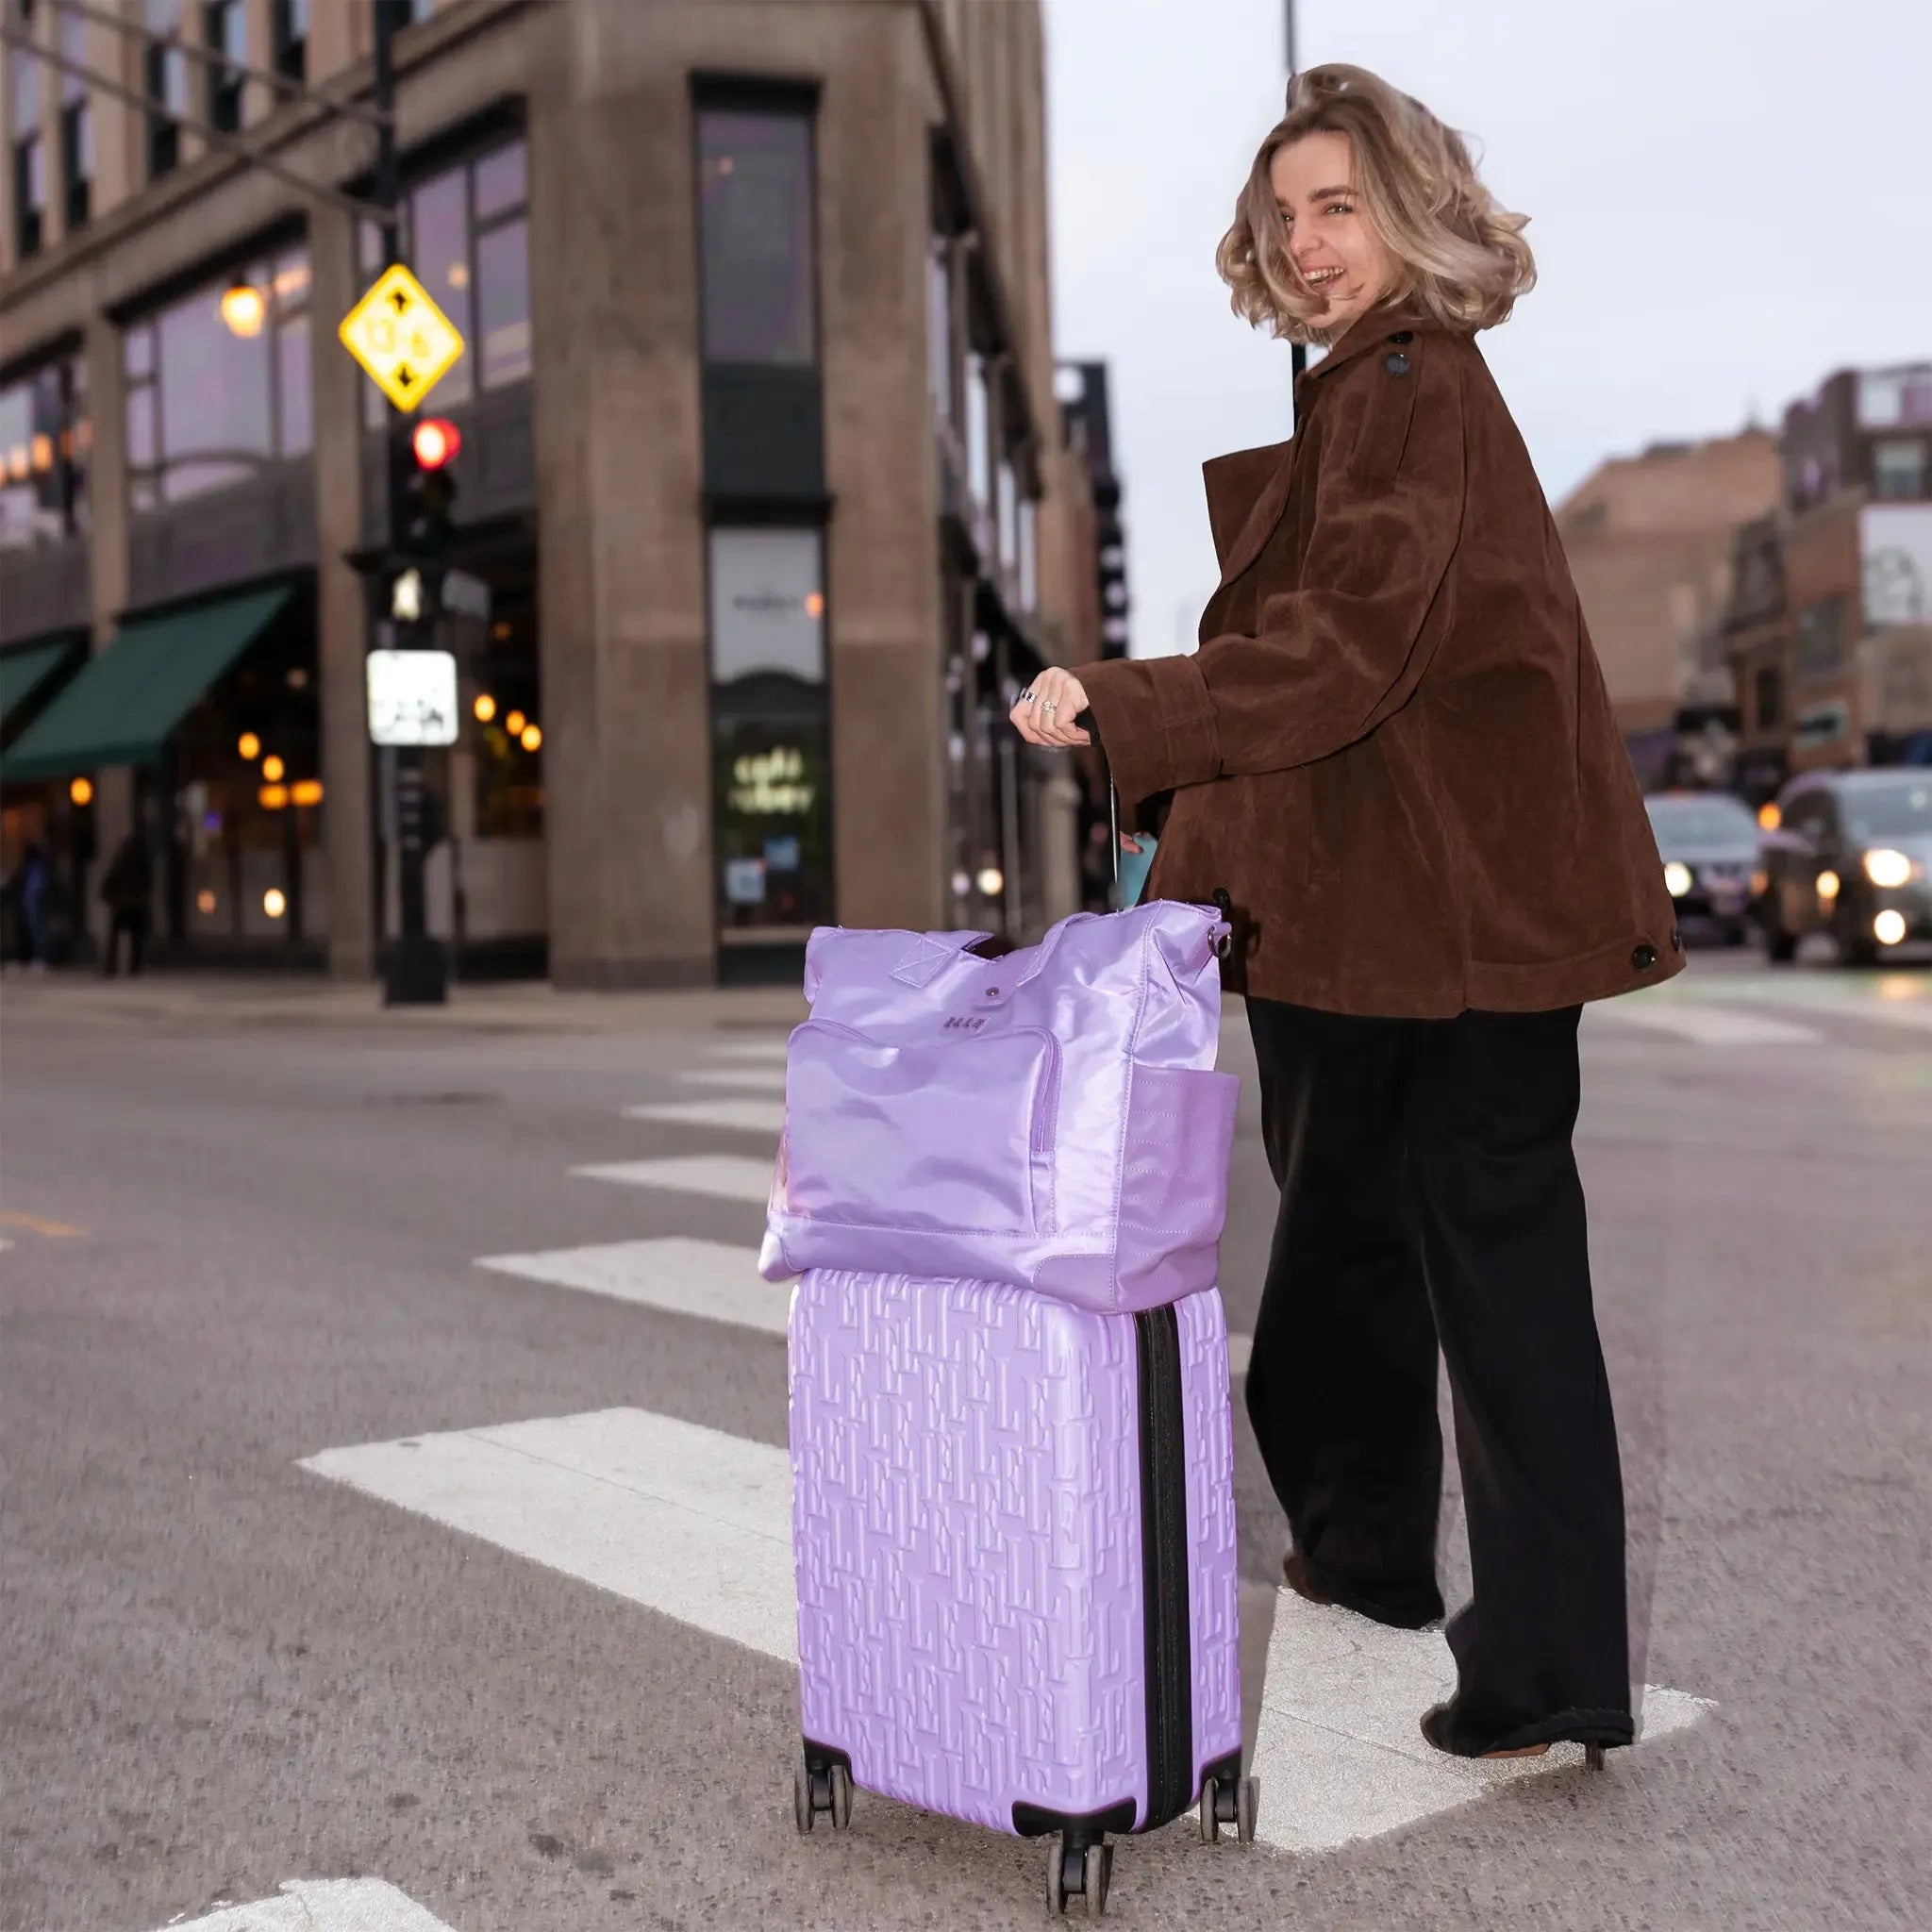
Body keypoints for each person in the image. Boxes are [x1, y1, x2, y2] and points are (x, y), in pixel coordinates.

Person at [1011, 64, 1681, 1764]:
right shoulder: (1390, 390)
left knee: (1414, 1264)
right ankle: (1433, 1586)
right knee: (1376, 1254)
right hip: (1413, 915)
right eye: (1283, 216)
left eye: (1339, 207)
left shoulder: (1400, 380)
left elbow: (1342, 652)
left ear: (1412, 209)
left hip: (1431, 924)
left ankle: (1503, 1632)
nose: (1306, 246)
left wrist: (1123, 699)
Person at [99, 826, 153, 977]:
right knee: (135, 938)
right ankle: (132, 967)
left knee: (115, 936)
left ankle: (111, 966)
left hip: (123, 904)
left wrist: (108, 896)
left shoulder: (123, 859)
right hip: (133, 904)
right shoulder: (141, 862)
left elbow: (111, 879)